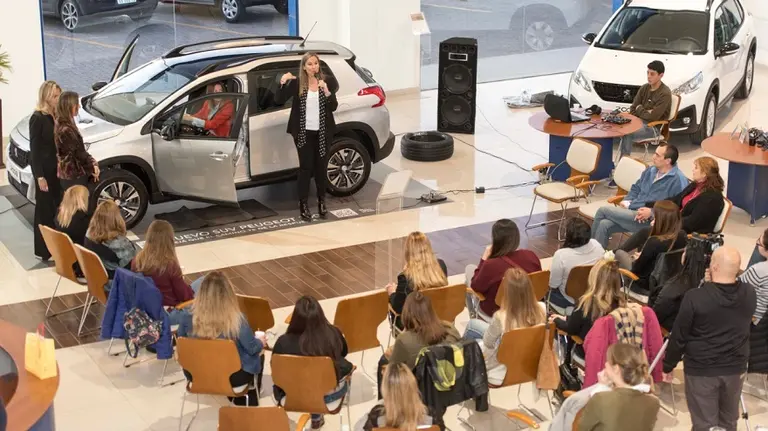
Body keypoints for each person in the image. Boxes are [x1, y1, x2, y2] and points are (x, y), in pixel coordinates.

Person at [663, 246, 756, 431]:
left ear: (713, 267)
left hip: (702, 370)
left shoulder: (695, 297)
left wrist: (668, 365)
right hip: (735, 369)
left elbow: (679, 336)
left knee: (705, 423)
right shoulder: (749, 293)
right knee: (729, 421)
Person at [177, 271, 266, 406]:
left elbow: (181, 344)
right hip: (233, 378)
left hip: (196, 374)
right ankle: (251, 396)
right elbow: (252, 348)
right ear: (228, 294)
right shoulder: (237, 320)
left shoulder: (186, 317)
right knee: (259, 352)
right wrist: (261, 341)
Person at [272, 295, 352, 429]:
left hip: (292, 397)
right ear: (320, 315)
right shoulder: (333, 334)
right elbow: (343, 353)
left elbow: (276, 370)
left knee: (306, 379)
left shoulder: (282, 342)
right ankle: (317, 416)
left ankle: (315, 417)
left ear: (295, 318)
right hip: (329, 397)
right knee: (326, 377)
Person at [278, 52, 339, 221]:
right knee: (305, 169)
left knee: (321, 168)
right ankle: (303, 204)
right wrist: (282, 82)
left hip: (322, 133)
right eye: (310, 64)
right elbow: (279, 99)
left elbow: (333, 107)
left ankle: (322, 202)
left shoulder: (325, 83)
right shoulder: (297, 84)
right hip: (304, 133)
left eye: (316, 63)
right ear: (304, 67)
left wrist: (326, 91)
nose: (314, 67)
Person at [591, 143, 688, 248]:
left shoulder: (678, 180)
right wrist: (627, 200)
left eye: (657, 155)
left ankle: (589, 250)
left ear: (668, 161)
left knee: (602, 211)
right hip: (633, 210)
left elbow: (676, 207)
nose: (653, 157)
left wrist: (651, 213)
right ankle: (598, 259)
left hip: (649, 220)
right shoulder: (651, 170)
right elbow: (636, 187)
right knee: (604, 225)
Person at [464, 267, 546, 385]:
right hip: (530, 366)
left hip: (502, 370)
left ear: (507, 292)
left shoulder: (500, 317)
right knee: (474, 325)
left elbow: (488, 343)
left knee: (471, 328)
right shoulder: (542, 308)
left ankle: (462, 368)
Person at [556, 343, 660, 431]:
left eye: (608, 362)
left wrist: (599, 389)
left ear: (616, 369)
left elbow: (579, 428)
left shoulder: (601, 399)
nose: (605, 364)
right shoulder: (654, 402)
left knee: (568, 410)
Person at [626, 157, 726, 247]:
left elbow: (692, 222)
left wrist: (665, 222)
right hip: (676, 226)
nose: (692, 170)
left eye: (696, 168)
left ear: (704, 173)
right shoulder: (695, 186)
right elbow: (675, 200)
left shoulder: (712, 198)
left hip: (687, 235)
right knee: (644, 231)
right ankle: (616, 256)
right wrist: (652, 205)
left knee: (646, 234)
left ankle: (617, 255)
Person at [377, 292, 460, 399]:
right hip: (446, 383)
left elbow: (393, 369)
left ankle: (384, 406)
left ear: (406, 314)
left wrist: (401, 336)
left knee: (384, 360)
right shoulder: (451, 330)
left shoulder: (404, 340)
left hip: (418, 391)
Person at [550, 256, 625, 361]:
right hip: (612, 353)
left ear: (594, 278)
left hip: (587, 352)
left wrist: (556, 320)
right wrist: (566, 318)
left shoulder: (587, 303)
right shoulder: (621, 303)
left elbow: (571, 329)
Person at [465, 219, 541, 321]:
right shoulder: (531, 256)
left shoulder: (490, 265)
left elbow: (476, 286)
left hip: (498, 311)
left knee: (469, 270)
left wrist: (484, 259)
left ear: (495, 239)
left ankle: (474, 318)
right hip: (527, 307)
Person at [131, 220, 201, 324]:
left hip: (146, 312)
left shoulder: (137, 261)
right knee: (205, 283)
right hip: (168, 314)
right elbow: (184, 297)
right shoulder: (170, 265)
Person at [615, 200, 687, 294]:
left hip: (645, 285)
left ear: (660, 220)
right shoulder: (683, 235)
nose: (653, 218)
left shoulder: (654, 242)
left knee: (619, 253)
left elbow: (636, 270)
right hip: (667, 281)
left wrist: (638, 258)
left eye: (655, 216)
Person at [355, 363, 443, 431]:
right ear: (413, 387)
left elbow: (358, 428)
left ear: (386, 390)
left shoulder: (377, 416)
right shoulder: (431, 415)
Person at [387, 232, 448, 330]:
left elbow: (398, 308)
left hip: (414, 328)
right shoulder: (441, 266)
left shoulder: (405, 277)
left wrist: (392, 293)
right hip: (439, 321)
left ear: (408, 252)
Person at [30, 80, 62, 261]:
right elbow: (34, 150)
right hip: (45, 171)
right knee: (44, 211)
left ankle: (57, 246)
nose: (57, 99)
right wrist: (39, 176)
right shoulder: (38, 118)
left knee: (56, 208)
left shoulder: (55, 116)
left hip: (57, 170)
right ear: (46, 96)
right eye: (55, 96)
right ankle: (44, 250)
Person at [616, 60, 672, 161]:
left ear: (661, 75)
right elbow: (633, 108)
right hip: (639, 122)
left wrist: (640, 108)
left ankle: (623, 162)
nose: (649, 76)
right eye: (648, 73)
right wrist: (645, 111)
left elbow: (653, 117)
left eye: (652, 74)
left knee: (627, 132)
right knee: (617, 127)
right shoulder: (644, 88)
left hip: (654, 128)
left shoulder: (665, 93)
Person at [548, 218, 605, 310]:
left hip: (569, 299)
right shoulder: (597, 245)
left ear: (569, 236)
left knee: (541, 290)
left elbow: (553, 284)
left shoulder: (561, 255)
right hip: (594, 294)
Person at [650, 242, 708, 332]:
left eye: (684, 252)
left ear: (686, 258)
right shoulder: (703, 283)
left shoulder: (676, 285)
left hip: (665, 328)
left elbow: (657, 312)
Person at [84, 200, 138, 285]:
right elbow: (134, 266)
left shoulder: (89, 234)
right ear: (117, 218)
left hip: (95, 280)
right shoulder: (121, 244)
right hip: (116, 285)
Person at [54, 91, 99, 189]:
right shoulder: (66, 130)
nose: (79, 107)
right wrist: (92, 167)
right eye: (76, 104)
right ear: (69, 106)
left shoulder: (63, 122)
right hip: (73, 176)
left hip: (69, 174)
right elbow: (78, 154)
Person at [740, 228, 768, 324]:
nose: (756, 242)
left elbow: (734, 288)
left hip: (754, 320)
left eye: (759, 243)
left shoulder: (759, 270)